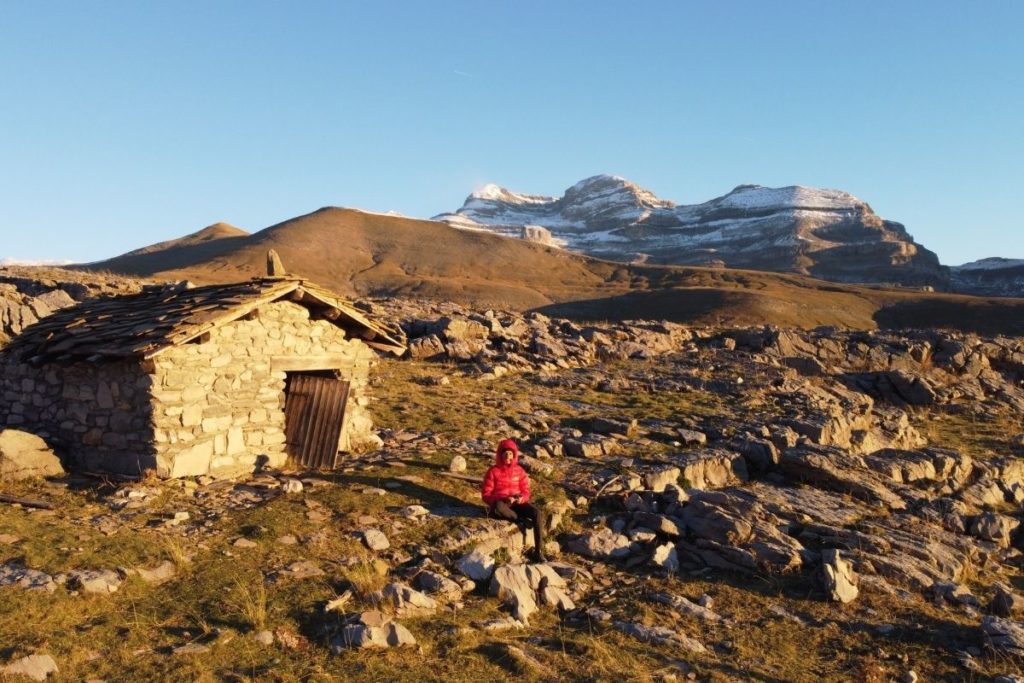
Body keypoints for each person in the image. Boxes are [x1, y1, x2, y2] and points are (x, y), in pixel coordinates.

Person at [481, 438, 546, 562]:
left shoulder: (520, 471)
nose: (508, 456)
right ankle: (520, 520)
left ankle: (539, 551)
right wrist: (504, 499)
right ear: (500, 455)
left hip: (517, 503)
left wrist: (521, 498)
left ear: (514, 455)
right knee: (498, 507)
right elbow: (486, 495)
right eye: (505, 453)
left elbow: (526, 491)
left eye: (510, 453)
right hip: (503, 505)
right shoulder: (493, 471)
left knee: (537, 513)